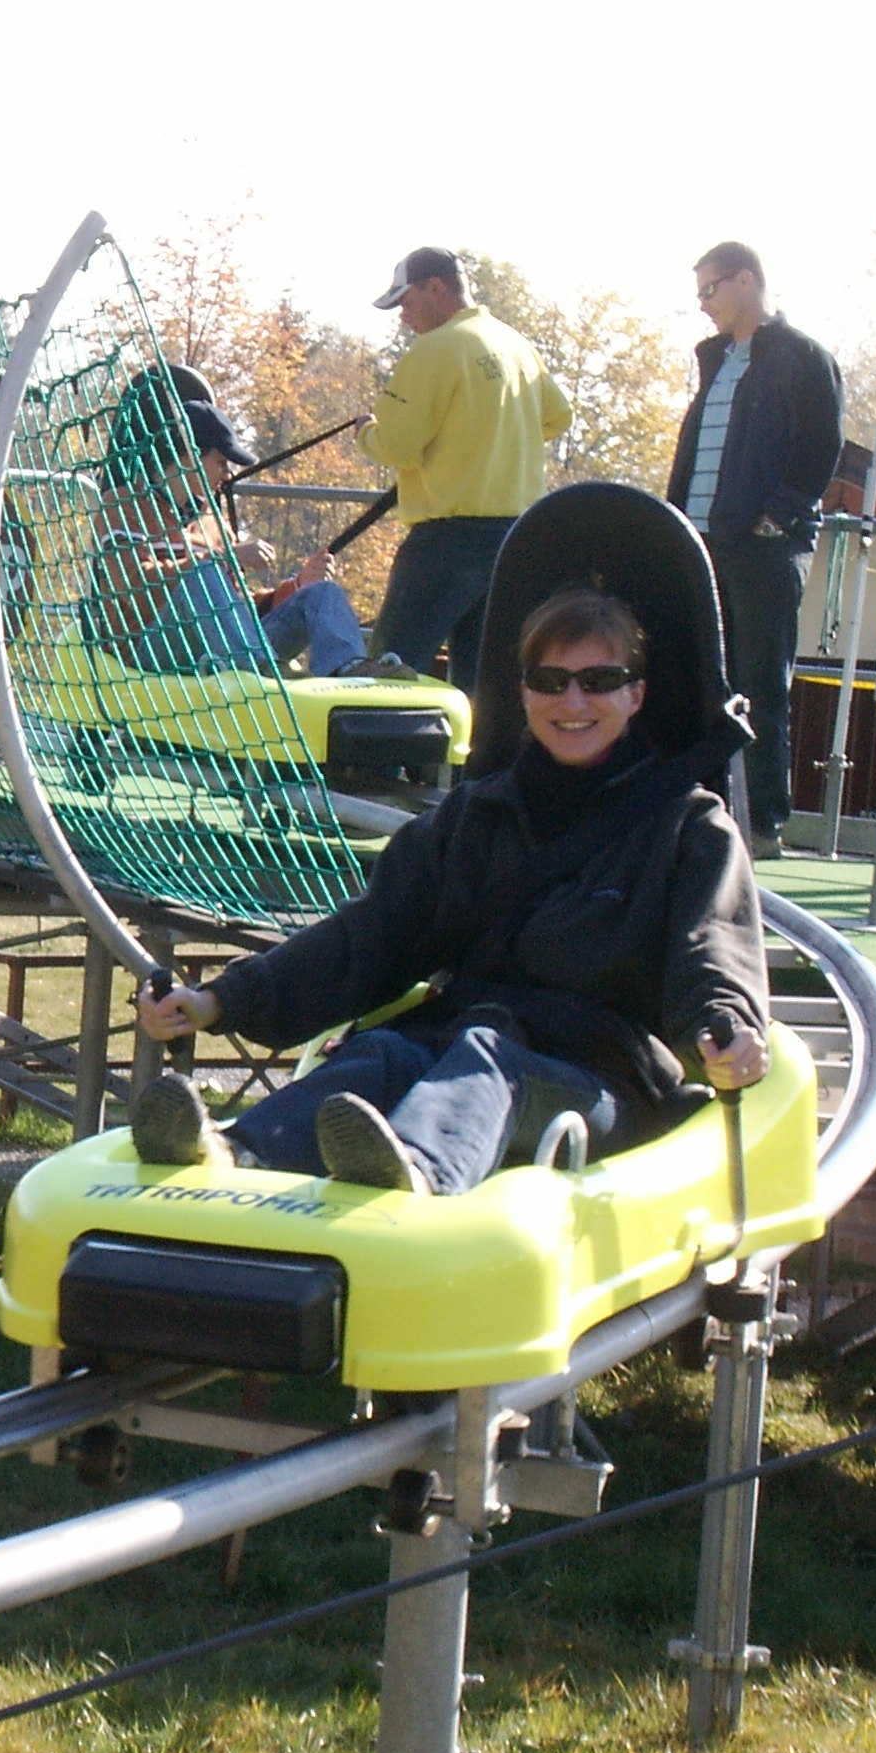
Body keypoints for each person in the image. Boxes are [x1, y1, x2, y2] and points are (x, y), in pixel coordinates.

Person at [131, 564, 770, 1197]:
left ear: (636, 694)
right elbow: (370, 936)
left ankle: (418, 1173)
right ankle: (233, 1152)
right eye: (549, 681)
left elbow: (711, 948)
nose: (572, 702)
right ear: (524, 693)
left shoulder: (688, 827)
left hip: (603, 1080)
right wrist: (222, 1000)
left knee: (486, 1059)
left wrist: (726, 1028)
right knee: (381, 1055)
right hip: (459, 1045)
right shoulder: (474, 817)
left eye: (599, 681)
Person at [663, 242, 844, 859]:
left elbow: (822, 445)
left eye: (709, 290)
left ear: (746, 280)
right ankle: (701, 809)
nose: (702, 305)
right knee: (698, 679)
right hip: (702, 539)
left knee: (760, 685)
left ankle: (762, 822)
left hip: (762, 547)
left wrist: (777, 516)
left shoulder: (803, 357)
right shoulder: (717, 359)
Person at [358, 248, 571, 688]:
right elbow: (557, 417)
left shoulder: (435, 349)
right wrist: (491, 437)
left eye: (405, 303)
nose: (404, 318)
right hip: (515, 539)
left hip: (445, 541)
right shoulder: (516, 345)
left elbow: (397, 445)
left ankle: (386, 738)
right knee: (482, 685)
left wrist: (366, 432)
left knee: (389, 675)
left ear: (435, 287)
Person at [90, 367, 371, 677]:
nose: (228, 475)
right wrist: (223, 558)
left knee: (322, 595)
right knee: (204, 574)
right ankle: (256, 670)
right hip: (150, 652)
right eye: (221, 462)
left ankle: (349, 669)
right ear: (190, 457)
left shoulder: (213, 522)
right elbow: (133, 588)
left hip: (227, 648)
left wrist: (298, 585)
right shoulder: (124, 505)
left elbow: (235, 610)